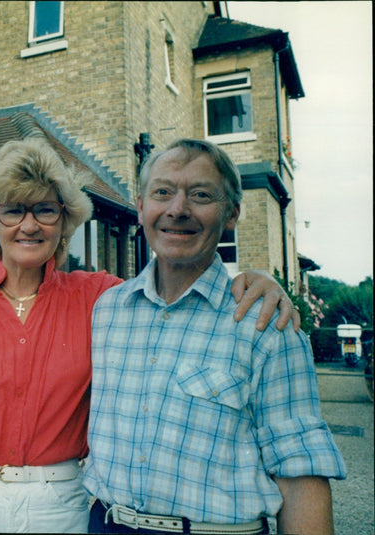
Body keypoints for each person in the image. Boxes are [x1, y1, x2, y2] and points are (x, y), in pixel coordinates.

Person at [0, 136, 299, 533]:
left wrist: (257, 279)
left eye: (45, 210)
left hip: (57, 508)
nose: (30, 225)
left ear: (65, 221)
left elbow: (170, 291)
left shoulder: (101, 298)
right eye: (14, 210)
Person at [85, 138, 347, 535]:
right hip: (106, 524)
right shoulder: (106, 312)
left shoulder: (265, 325)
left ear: (232, 214)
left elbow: (300, 472)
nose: (177, 209)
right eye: (162, 192)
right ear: (140, 207)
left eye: (201, 195)